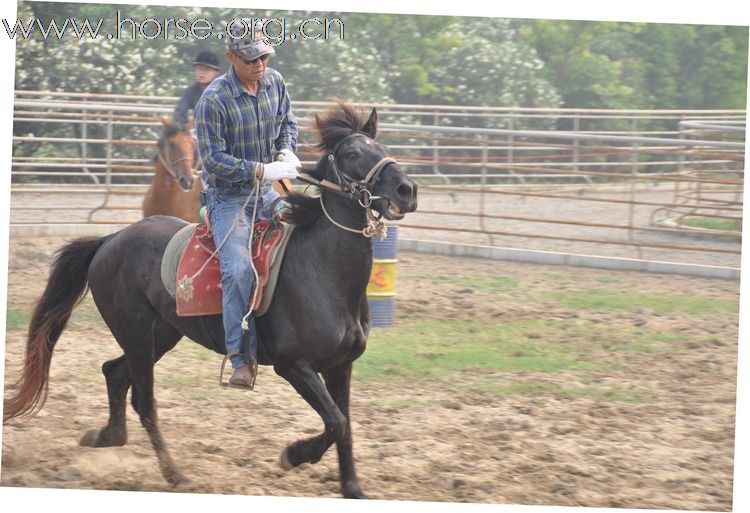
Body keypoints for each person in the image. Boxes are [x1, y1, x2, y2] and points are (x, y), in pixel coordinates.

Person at [194, 24, 301, 389]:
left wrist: (286, 149)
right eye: (252, 58)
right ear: (231, 58)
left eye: (264, 56)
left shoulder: (275, 82)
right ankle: (240, 358)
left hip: (268, 191)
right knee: (238, 270)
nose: (260, 63)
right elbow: (212, 161)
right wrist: (260, 169)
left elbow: (287, 121)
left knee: (307, 229)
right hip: (228, 197)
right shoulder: (213, 100)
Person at [173, 50, 222, 125]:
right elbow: (179, 112)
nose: (202, 72)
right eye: (199, 68)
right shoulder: (191, 91)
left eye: (206, 69)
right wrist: (182, 127)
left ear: (216, 72)